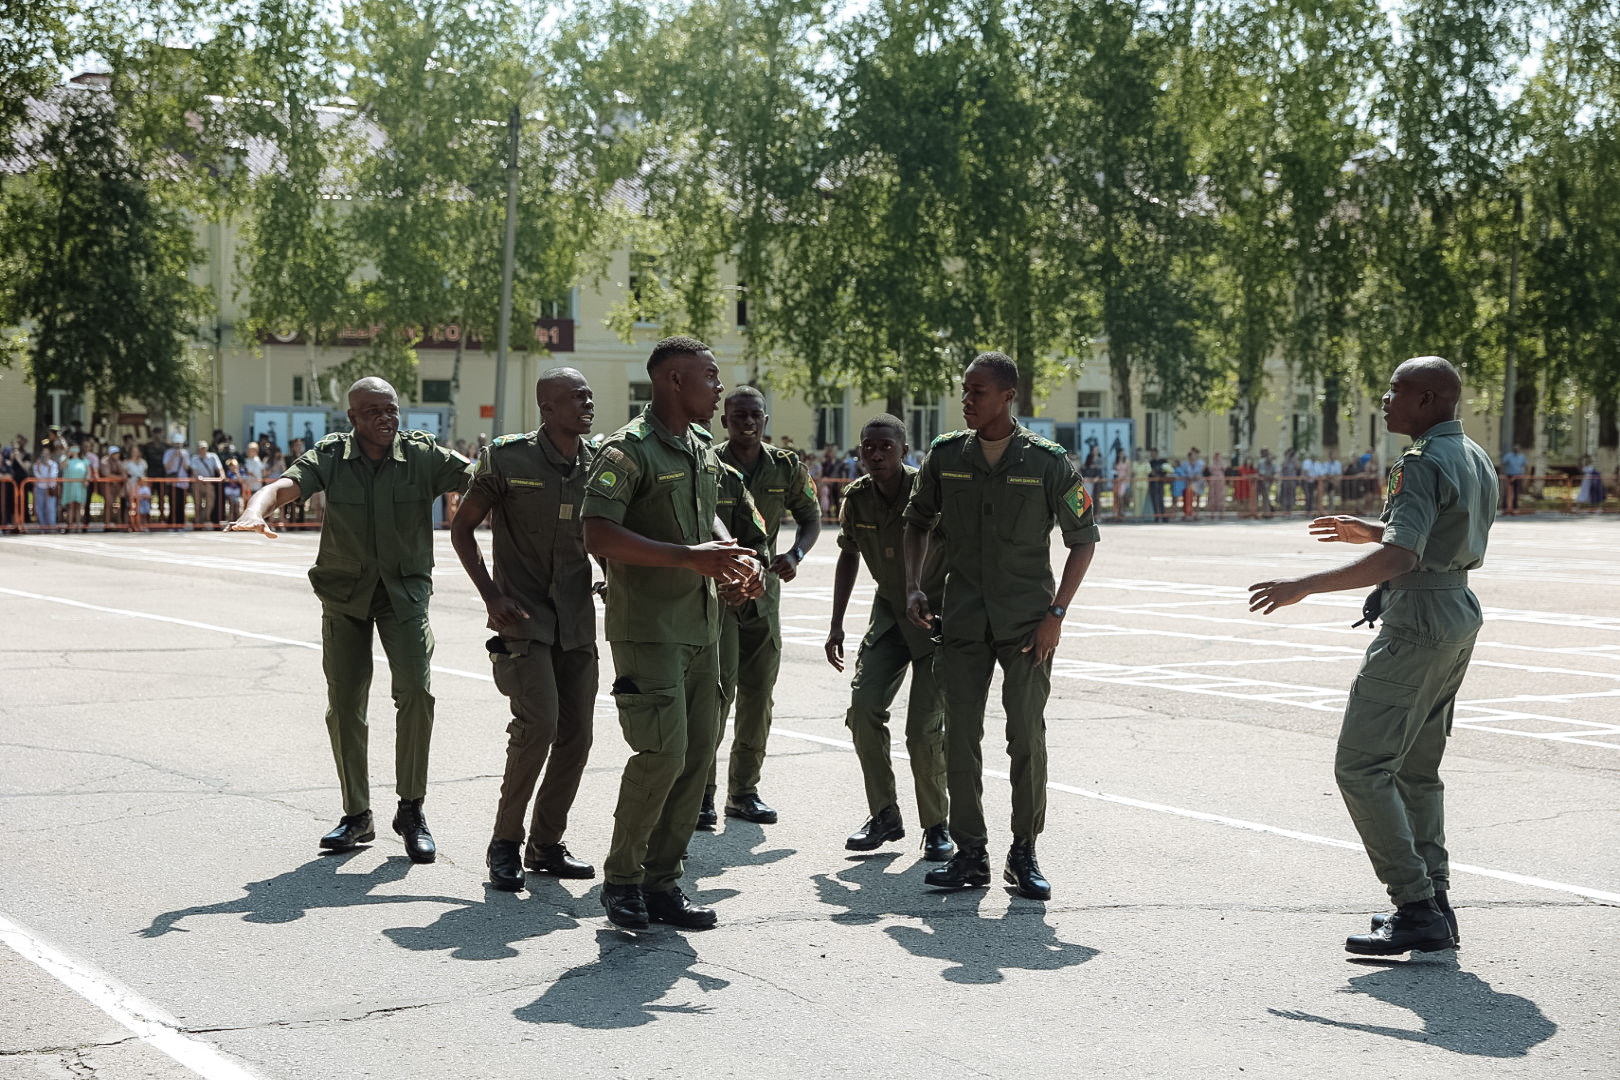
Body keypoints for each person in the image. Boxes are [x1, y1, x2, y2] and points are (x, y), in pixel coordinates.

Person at [1249, 356, 1494, 956]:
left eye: (1397, 391)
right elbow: (1439, 535)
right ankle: (1435, 905)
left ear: (1431, 398)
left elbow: (1400, 559)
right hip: (1456, 611)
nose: (1385, 400)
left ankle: (1414, 905)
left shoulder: (1421, 460)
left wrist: (1303, 584)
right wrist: (1371, 528)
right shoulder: (1472, 454)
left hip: (1418, 622)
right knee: (1415, 770)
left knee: (1360, 768)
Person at [227, 377, 472, 862]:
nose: (387, 418)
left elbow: (481, 478)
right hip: (345, 595)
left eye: (393, 409)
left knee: (417, 693)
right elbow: (282, 487)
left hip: (403, 594)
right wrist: (256, 511)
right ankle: (357, 815)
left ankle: (411, 808)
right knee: (344, 705)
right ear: (353, 418)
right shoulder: (332, 457)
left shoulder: (421, 456)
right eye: (374, 411)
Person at [581, 336, 764, 931]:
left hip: (701, 627)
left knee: (694, 759)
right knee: (660, 754)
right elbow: (598, 535)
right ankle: (623, 878)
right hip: (648, 629)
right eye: (709, 377)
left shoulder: (700, 448)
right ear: (673, 381)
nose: (719, 387)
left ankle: (663, 881)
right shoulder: (627, 451)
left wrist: (734, 560)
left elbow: (705, 514)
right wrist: (690, 558)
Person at [903, 352, 1100, 900]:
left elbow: (1083, 538)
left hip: (1026, 627)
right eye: (965, 391)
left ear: (1008, 396)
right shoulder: (946, 457)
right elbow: (916, 522)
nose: (967, 400)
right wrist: (915, 584)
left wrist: (1056, 615)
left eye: (979, 392)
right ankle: (970, 854)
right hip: (962, 621)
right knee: (960, 740)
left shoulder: (1048, 461)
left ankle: (1023, 852)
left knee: (1025, 739)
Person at [451, 368, 604, 892]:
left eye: (588, 395)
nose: (588, 402)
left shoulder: (600, 461)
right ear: (547, 407)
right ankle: (504, 844)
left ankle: (546, 844)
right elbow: (462, 527)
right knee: (538, 724)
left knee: (578, 736)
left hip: (578, 621)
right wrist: (491, 596)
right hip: (525, 620)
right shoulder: (507, 458)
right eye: (576, 397)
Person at [826, 414, 952, 860]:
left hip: (934, 618)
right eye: (868, 448)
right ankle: (884, 815)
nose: (876, 455)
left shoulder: (927, 492)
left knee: (922, 732)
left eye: (886, 448)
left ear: (904, 451)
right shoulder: (856, 499)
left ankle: (937, 825)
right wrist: (836, 622)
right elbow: (848, 557)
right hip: (889, 615)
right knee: (863, 709)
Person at [701, 386, 821, 829]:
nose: (747, 423)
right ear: (724, 421)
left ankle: (743, 792)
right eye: (738, 416)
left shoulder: (786, 467)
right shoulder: (708, 464)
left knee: (758, 698)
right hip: (717, 595)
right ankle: (701, 795)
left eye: (755, 415)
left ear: (765, 419)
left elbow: (810, 518)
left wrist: (795, 555)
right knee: (717, 694)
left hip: (764, 597)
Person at [191, 439, 225, 526]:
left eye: (204, 448)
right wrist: (198, 477)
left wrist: (222, 476)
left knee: (210, 504)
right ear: (198, 449)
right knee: (197, 503)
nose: (202, 450)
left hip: (209, 483)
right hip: (198, 483)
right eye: (201, 448)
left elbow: (219, 468)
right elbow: (194, 471)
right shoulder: (195, 458)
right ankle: (198, 522)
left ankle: (206, 519)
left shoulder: (213, 456)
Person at [163, 435, 192, 527]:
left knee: (182, 503)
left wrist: (182, 457)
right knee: (172, 503)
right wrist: (174, 456)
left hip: (182, 482)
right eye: (176, 444)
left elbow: (187, 467)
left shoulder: (185, 453)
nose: (178, 446)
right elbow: (167, 466)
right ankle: (172, 523)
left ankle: (181, 523)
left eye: (179, 444)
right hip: (172, 482)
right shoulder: (168, 453)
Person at [60, 445, 90, 532]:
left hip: (80, 486)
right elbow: (62, 466)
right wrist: (67, 454)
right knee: (70, 506)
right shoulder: (66, 459)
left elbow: (88, 472)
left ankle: (78, 525)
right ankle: (69, 525)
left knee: (78, 506)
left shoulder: (84, 460)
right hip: (69, 486)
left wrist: (87, 480)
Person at [33, 446, 59, 529]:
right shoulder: (36, 465)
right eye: (43, 454)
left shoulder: (53, 464)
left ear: (50, 455)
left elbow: (52, 477)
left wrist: (48, 466)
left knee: (51, 509)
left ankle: (52, 527)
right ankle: (43, 527)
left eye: (46, 454)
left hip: (50, 489)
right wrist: (39, 467)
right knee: (40, 508)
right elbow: (39, 478)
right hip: (40, 489)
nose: (45, 456)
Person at [1501, 443, 1527, 514]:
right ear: (1513, 449)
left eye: (1517, 448)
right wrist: (1503, 473)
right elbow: (1503, 463)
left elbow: (1525, 466)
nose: (1516, 449)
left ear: (1519, 449)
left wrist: (1525, 476)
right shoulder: (1508, 456)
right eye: (1515, 448)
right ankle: (1504, 508)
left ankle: (1515, 508)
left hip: (1518, 477)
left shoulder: (1522, 457)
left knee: (1516, 493)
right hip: (1509, 476)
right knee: (1506, 492)